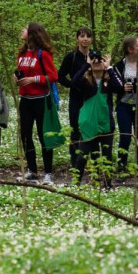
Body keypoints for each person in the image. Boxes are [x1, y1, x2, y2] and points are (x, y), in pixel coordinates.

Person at [71, 53, 123, 187]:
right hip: (89, 123)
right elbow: (74, 82)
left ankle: (107, 184)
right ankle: (76, 183)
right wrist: (87, 64)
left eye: (100, 60)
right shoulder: (86, 80)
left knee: (107, 155)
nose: (97, 62)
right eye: (94, 61)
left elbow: (119, 88)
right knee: (83, 155)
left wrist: (110, 67)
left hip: (105, 122)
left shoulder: (109, 80)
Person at [15, 22, 58, 184]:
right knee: (25, 135)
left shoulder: (43, 54)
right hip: (25, 100)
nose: (22, 30)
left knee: (44, 135)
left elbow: (53, 76)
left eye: (25, 29)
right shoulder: (22, 53)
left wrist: (34, 79)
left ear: (32, 34)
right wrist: (17, 78)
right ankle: (32, 170)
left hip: (41, 101)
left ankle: (48, 173)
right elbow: (22, 72)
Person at [58, 26, 92, 168]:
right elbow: (60, 76)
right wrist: (72, 85)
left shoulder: (95, 56)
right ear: (77, 38)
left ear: (91, 39)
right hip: (75, 98)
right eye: (82, 36)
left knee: (90, 128)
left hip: (91, 97)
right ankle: (75, 162)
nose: (85, 39)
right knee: (75, 129)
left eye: (88, 36)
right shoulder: (70, 57)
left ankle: (89, 160)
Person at [114, 36, 138, 172]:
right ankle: (122, 167)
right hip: (124, 105)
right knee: (126, 136)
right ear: (130, 49)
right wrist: (122, 87)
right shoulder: (119, 66)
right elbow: (113, 85)